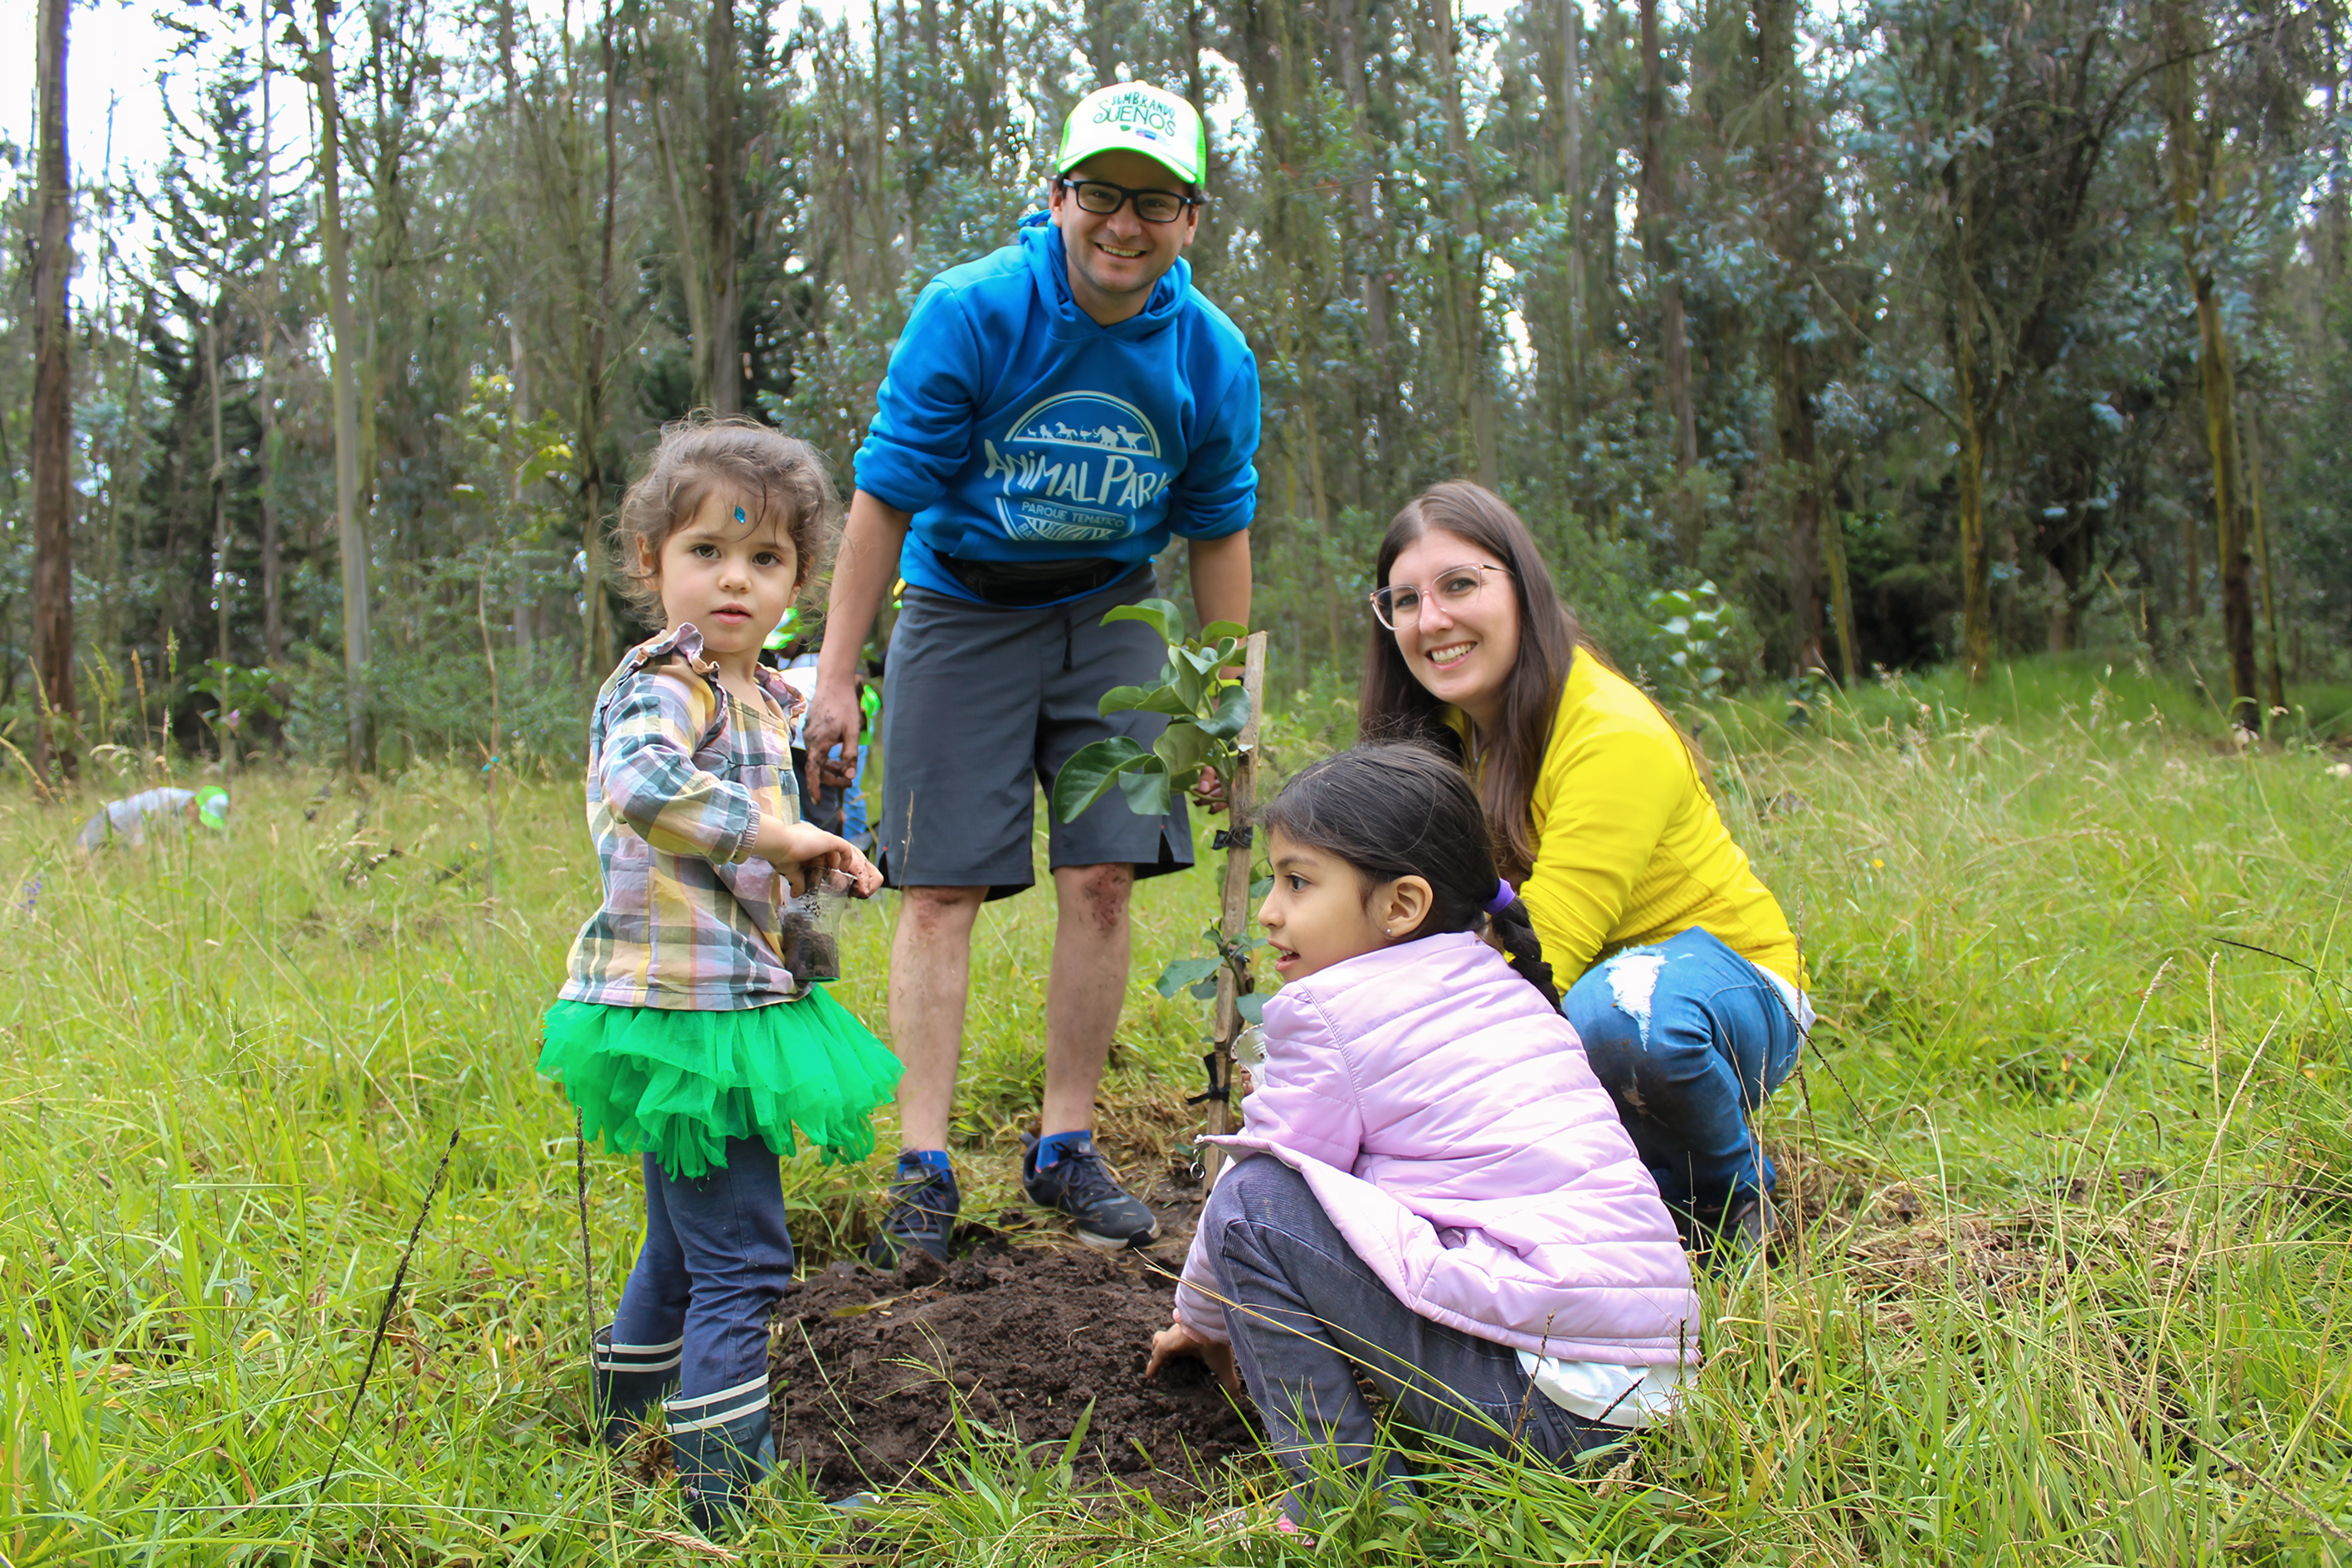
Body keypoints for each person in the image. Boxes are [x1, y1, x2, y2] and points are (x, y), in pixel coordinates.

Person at [799, 80, 1259, 1263]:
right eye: (1101, 192)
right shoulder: (972, 312)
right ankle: (923, 1165)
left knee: (1102, 876)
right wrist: (838, 673)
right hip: (958, 606)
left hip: (1111, 608)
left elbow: (1216, 530)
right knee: (939, 886)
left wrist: (1217, 710)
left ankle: (1063, 1147)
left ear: (1191, 221)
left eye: (1155, 200)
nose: (1124, 222)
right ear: (1054, 196)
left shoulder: (1208, 357)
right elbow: (883, 497)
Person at [1145, 745, 1697, 1532]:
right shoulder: (1500, 986)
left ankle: (1343, 1501)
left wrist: (1199, 1319)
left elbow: (1260, 1187)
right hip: (1649, 1404)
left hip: (1541, 1414)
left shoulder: (1334, 1012)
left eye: (1298, 882)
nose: (1270, 910)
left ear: (1400, 905)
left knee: (1251, 1201)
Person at [535, 417, 901, 1530]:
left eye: (766, 559)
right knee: (744, 1257)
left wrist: (820, 838)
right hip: (684, 1007)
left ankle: (620, 1422)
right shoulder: (663, 683)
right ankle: (725, 1497)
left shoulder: (759, 693)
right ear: (651, 564)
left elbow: (788, 785)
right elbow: (643, 783)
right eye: (706, 551)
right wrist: (775, 833)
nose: (734, 579)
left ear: (799, 576)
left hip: (714, 995)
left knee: (682, 1242)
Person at [1356, 481, 1812, 1251]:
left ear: (1523, 590)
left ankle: (1725, 1203)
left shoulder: (1609, 732)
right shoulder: (1439, 742)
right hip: (1567, 1010)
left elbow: (1546, 954)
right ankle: (1620, 1188)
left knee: (1623, 1017)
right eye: (1404, 600)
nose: (1431, 620)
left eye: (1460, 585)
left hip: (1719, 993)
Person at [75, 785, 228, 850]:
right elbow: (140, 845)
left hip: (128, 834)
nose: (199, 824)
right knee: (84, 860)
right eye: (200, 817)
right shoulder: (164, 805)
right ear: (193, 804)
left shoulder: (184, 810)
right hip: (110, 821)